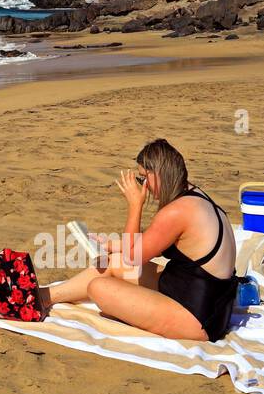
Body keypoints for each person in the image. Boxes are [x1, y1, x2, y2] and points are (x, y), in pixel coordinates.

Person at [39, 139, 238, 341]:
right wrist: (113, 246)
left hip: (198, 319)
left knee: (98, 288)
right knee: (110, 261)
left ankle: (126, 311)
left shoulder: (177, 212)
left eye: (144, 178)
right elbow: (158, 242)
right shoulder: (195, 195)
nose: (144, 187)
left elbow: (133, 259)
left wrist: (135, 205)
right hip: (209, 302)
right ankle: (45, 296)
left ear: (159, 173)